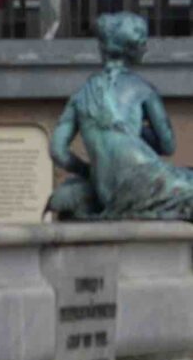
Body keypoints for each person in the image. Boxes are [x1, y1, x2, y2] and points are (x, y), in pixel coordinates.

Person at [48, 11, 193, 219]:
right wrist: (140, 132)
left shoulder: (80, 95)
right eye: (143, 42)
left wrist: (89, 171)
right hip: (147, 180)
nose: (146, 47)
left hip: (107, 192)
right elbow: (168, 145)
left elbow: (57, 151)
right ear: (131, 49)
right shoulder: (143, 89)